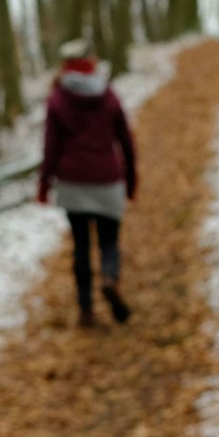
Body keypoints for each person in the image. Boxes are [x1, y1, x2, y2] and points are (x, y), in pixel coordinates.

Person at [38, 39, 137, 327]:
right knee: (109, 241)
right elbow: (126, 142)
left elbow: (50, 148)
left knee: (81, 246)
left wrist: (44, 185)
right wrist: (131, 179)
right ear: (91, 63)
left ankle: (86, 310)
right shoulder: (108, 95)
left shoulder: (57, 99)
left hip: (72, 183)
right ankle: (108, 277)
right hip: (107, 181)